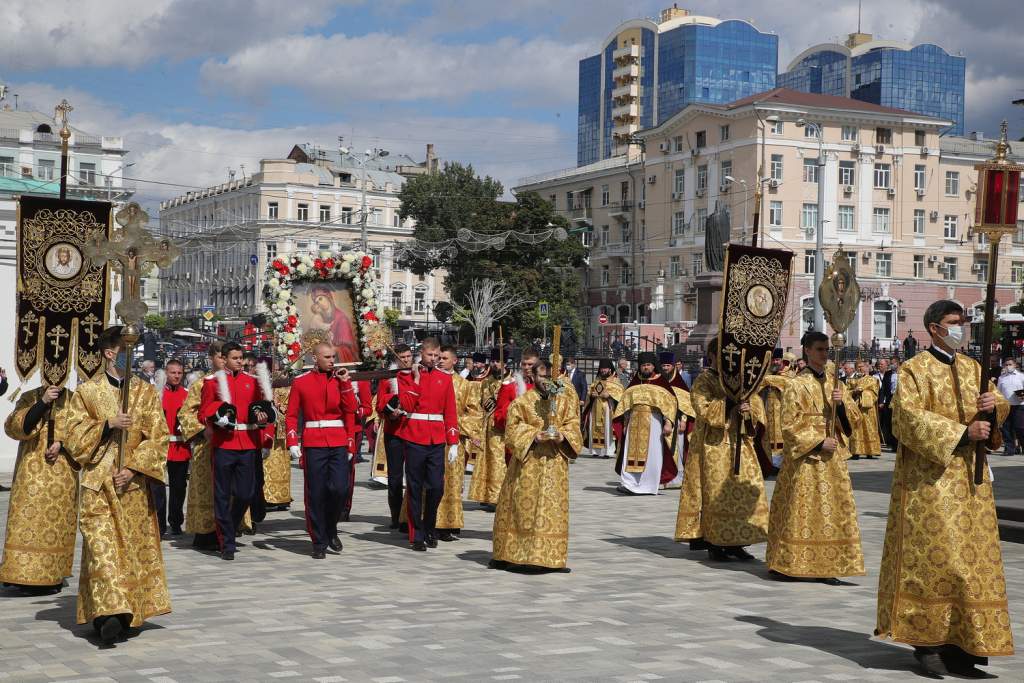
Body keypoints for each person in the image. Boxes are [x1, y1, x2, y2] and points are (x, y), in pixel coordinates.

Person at [877, 300, 1014, 677]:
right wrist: (962, 432)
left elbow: (996, 405)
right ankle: (929, 644)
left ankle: (964, 645)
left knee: (972, 566)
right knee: (935, 562)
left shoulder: (974, 368)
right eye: (955, 323)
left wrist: (994, 406)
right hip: (930, 485)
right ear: (935, 328)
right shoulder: (913, 370)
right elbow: (906, 419)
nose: (962, 328)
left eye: (965, 322)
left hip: (971, 485)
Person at [64, 326, 171, 643]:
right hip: (98, 485)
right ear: (110, 352)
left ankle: (128, 611)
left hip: (132, 488)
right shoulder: (87, 392)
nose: (132, 355)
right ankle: (109, 614)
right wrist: (107, 425)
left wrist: (135, 469)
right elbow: (73, 437)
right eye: (127, 349)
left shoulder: (145, 392)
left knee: (131, 552)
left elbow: (159, 436)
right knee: (103, 551)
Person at [766, 331, 865, 584]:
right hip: (807, 458)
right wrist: (819, 441)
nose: (824, 354)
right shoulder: (796, 385)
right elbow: (789, 424)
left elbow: (854, 421)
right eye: (820, 349)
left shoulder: (836, 384)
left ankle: (827, 563)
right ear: (807, 351)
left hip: (833, 460)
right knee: (800, 508)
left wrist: (840, 405)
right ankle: (788, 562)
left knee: (831, 510)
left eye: (826, 350)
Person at [676, 337, 768, 561]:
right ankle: (714, 542)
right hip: (713, 445)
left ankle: (737, 542)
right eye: (723, 356)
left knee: (743, 490)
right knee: (716, 492)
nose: (729, 361)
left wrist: (747, 409)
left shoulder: (744, 381)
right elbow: (702, 408)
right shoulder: (704, 380)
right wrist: (729, 403)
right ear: (713, 357)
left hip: (740, 443)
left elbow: (757, 410)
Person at [490, 360, 582, 572]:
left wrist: (563, 436)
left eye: (550, 376)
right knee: (523, 511)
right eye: (542, 376)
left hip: (555, 466)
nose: (546, 381)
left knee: (551, 511)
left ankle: (549, 558)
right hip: (528, 465)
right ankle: (518, 555)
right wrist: (534, 436)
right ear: (532, 377)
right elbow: (511, 433)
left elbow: (573, 425)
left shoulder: (564, 402)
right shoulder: (521, 403)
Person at [199, 341, 276, 560]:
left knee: (246, 493)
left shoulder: (252, 382)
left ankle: (229, 528)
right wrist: (217, 416)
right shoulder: (212, 382)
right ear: (224, 359)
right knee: (222, 495)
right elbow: (203, 411)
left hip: (248, 443)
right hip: (224, 443)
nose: (240, 362)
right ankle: (227, 543)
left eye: (241, 358)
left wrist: (262, 419)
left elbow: (263, 409)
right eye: (235, 358)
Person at [0, 383, 78, 591]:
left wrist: (62, 444)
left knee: (56, 527)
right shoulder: (29, 396)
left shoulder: (75, 399)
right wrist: (42, 402)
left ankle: (51, 575)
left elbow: (84, 432)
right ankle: (18, 573)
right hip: (31, 474)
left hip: (62, 476)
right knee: (25, 523)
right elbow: (14, 428)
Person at [286, 343, 357, 559]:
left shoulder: (341, 380)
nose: (332, 360)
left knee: (340, 489)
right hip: (314, 442)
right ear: (315, 359)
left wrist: (345, 385)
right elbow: (291, 415)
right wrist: (293, 442)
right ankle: (319, 540)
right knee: (316, 494)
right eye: (327, 357)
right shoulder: (301, 383)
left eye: (333, 357)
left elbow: (351, 409)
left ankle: (330, 527)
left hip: (337, 442)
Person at [394, 337, 459, 551]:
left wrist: (454, 441)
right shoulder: (407, 375)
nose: (434, 360)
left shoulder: (444, 378)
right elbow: (407, 403)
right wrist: (416, 379)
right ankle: (417, 534)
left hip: (437, 438)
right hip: (414, 436)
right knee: (414, 488)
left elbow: (450, 411)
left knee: (436, 488)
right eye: (430, 355)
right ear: (422, 353)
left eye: (437, 356)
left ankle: (430, 526)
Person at [612, 352, 679, 495]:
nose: (646, 368)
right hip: (633, 422)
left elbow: (671, 404)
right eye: (643, 365)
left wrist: (668, 423)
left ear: (653, 366)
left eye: (648, 365)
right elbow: (625, 405)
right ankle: (629, 484)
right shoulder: (635, 382)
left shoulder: (662, 382)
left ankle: (648, 486)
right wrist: (624, 423)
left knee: (653, 454)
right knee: (629, 454)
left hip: (653, 422)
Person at [179, 341, 224, 550]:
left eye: (228, 356)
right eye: (220, 356)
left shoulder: (237, 382)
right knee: (206, 490)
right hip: (207, 447)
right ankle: (205, 531)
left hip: (231, 445)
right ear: (212, 358)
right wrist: (203, 429)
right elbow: (185, 413)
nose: (224, 361)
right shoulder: (201, 384)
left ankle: (227, 528)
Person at [436, 345, 481, 541]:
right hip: (434, 438)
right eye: (439, 357)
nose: (440, 360)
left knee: (453, 483)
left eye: (444, 358)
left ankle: (449, 522)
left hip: (455, 441)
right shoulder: (433, 379)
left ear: (454, 361)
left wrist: (454, 423)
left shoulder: (464, 385)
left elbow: (474, 413)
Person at [376, 344, 414, 528]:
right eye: (403, 357)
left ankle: (410, 515)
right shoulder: (388, 378)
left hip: (413, 431)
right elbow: (379, 404)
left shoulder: (417, 376)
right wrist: (389, 412)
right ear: (396, 359)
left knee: (413, 475)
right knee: (395, 477)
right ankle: (395, 515)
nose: (406, 360)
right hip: (394, 432)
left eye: (409, 356)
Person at [156, 360, 190, 536]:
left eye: (179, 373)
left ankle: (176, 522)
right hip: (161, 447)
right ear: (166, 373)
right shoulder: (157, 394)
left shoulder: (187, 394)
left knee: (178, 488)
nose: (176, 376)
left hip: (180, 447)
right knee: (158, 488)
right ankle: (159, 524)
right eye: (173, 372)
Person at [467, 349, 504, 505]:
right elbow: (481, 402)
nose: (495, 364)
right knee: (486, 461)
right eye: (493, 361)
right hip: (487, 426)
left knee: (499, 462)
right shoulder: (487, 382)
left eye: (498, 361)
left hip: (502, 428)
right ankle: (486, 495)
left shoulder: (510, 381)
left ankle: (498, 497)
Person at [581, 359, 623, 458]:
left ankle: (608, 451)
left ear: (609, 369)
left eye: (605, 368)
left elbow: (621, 394)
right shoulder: (596, 381)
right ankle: (596, 451)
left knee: (608, 430)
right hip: (595, 409)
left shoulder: (615, 381)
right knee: (594, 428)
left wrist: (609, 395)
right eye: (601, 368)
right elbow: (589, 393)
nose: (603, 370)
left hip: (608, 410)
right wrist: (592, 395)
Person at [264, 378, 294, 511]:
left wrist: (277, 409)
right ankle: (267, 496)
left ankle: (281, 497)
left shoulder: (289, 389)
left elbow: (290, 411)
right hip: (267, 433)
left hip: (280, 435)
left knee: (281, 466)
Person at [310, 286, 359, 363]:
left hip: (341, 360)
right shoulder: (321, 318)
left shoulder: (341, 318)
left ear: (328, 298)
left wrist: (332, 349)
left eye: (320, 299)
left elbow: (347, 347)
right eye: (316, 302)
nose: (319, 303)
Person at [760, 349, 790, 473]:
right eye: (773, 360)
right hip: (768, 409)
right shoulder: (768, 373)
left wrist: (768, 380)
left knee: (780, 436)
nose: (775, 362)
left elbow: (787, 383)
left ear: (782, 361)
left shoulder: (787, 374)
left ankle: (781, 464)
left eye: (777, 360)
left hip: (782, 411)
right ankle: (770, 463)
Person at [847, 359, 881, 460]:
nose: (860, 368)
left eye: (862, 366)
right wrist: (854, 391)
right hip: (855, 407)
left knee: (869, 428)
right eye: (858, 366)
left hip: (868, 408)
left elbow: (875, 393)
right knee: (856, 428)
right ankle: (855, 451)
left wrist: (863, 393)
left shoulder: (872, 380)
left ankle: (870, 451)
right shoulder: (852, 380)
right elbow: (846, 392)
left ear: (866, 367)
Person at [997, 358, 1024, 456]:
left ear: (1015, 365)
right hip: (1006, 406)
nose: (1008, 366)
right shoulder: (1002, 378)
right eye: (1006, 364)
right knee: (1006, 428)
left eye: (1010, 364)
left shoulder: (1021, 376)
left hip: (1019, 405)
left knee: (1020, 427)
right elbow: (998, 391)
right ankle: (1009, 449)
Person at [877, 358, 897, 451]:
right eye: (891, 363)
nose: (892, 365)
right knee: (889, 422)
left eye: (893, 363)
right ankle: (892, 443)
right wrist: (881, 401)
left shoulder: (903, 373)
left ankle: (898, 443)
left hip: (899, 400)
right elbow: (883, 389)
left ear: (897, 363)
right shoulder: (888, 374)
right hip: (889, 400)